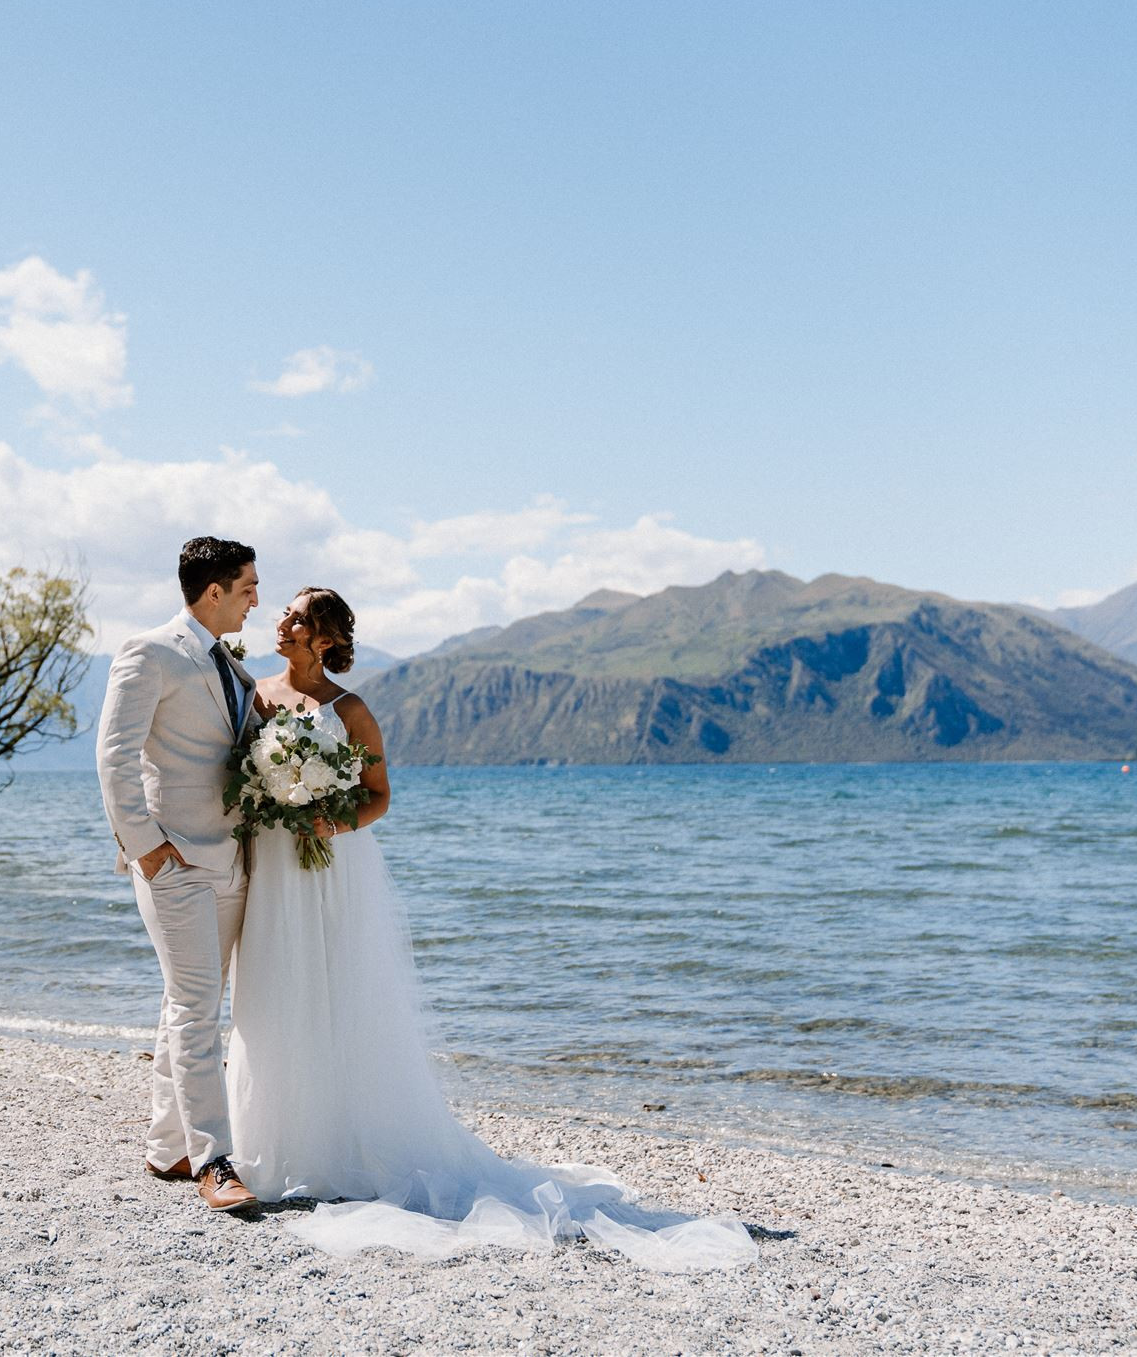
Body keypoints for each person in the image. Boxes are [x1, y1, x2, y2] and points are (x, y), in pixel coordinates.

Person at [226, 586, 758, 1270]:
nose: (282, 621)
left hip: (332, 871)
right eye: (284, 614)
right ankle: (271, 1141)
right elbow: (241, 773)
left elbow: (379, 796)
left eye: (296, 616)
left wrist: (331, 817)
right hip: (274, 863)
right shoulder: (258, 695)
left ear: (323, 636)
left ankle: (339, 1145)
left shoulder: (350, 711)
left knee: (337, 993)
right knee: (275, 987)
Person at [96, 537, 262, 1212]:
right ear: (213, 591)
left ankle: (167, 1147)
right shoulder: (150, 650)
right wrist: (147, 847)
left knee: (184, 1002)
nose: (256, 598)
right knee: (198, 1007)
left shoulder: (232, 665)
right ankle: (214, 1160)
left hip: (232, 859)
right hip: (177, 862)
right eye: (248, 585)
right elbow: (113, 755)